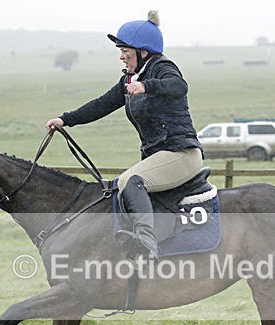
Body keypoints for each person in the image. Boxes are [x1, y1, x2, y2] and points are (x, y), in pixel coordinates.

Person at [45, 10, 203, 258]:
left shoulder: (162, 68)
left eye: (125, 53)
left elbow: (179, 86)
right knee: (121, 185)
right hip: (159, 156)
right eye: (120, 52)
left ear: (143, 52)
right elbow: (102, 104)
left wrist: (147, 85)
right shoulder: (130, 79)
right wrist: (66, 119)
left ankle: (147, 243)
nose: (121, 57)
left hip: (181, 153)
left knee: (130, 180)